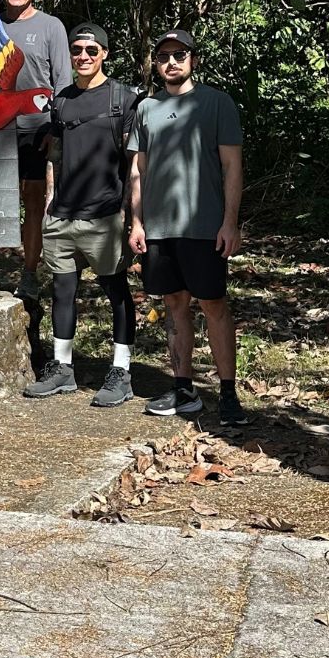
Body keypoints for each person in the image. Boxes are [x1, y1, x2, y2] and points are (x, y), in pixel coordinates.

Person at [127, 29, 248, 426]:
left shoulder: (217, 103)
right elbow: (138, 170)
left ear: (193, 59)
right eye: (164, 56)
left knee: (214, 305)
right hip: (159, 230)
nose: (172, 62)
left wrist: (230, 223)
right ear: (156, 64)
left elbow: (232, 167)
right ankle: (184, 389)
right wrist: (137, 222)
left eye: (179, 54)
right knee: (174, 304)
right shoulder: (147, 108)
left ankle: (228, 394)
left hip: (204, 227)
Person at [24, 24, 140, 407]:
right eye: (77, 50)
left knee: (115, 290)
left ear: (104, 53)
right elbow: (55, 153)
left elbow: (134, 164)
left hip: (104, 215)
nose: (84, 56)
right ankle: (62, 368)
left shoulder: (123, 99)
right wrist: (50, 201)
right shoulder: (62, 101)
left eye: (92, 50)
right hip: (63, 216)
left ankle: (121, 371)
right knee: (62, 290)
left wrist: (130, 213)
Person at [0, 0, 71, 306]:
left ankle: (29, 273)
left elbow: (64, 81)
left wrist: (56, 126)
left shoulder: (50, 26)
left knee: (33, 200)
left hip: (37, 127)